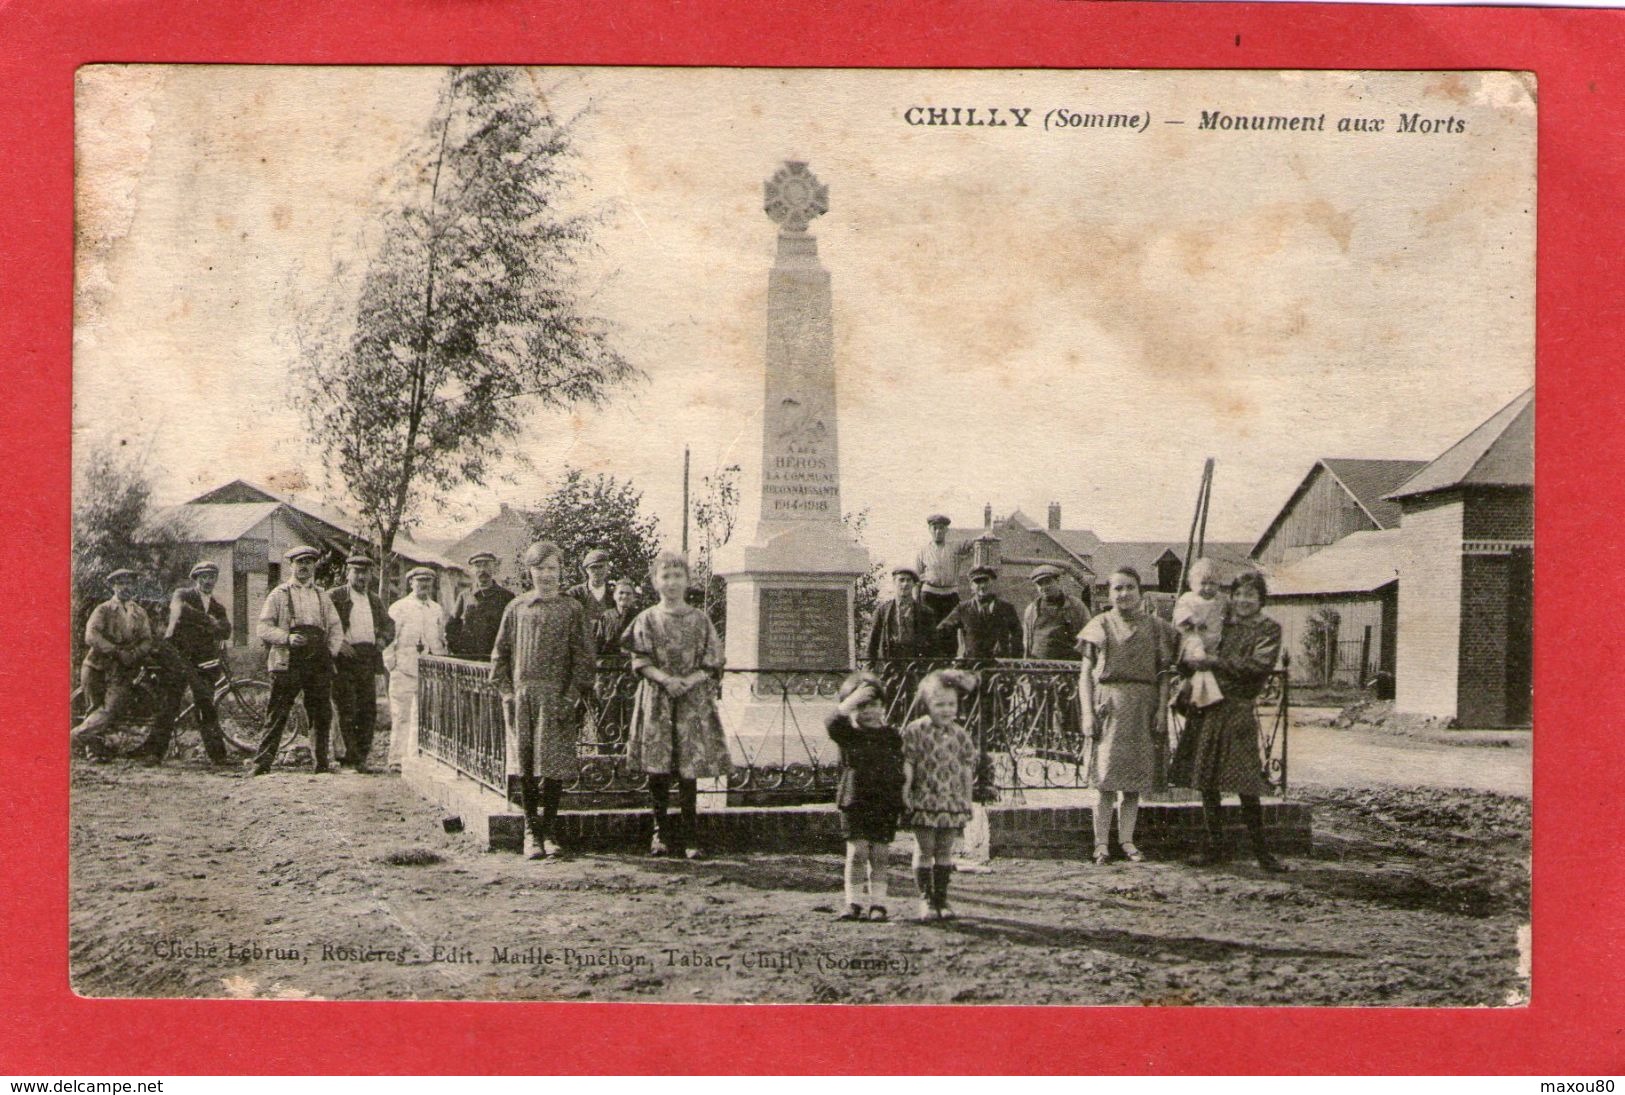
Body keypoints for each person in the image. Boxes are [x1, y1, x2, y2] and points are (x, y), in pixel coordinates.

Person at [1169, 570, 1287, 871]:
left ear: (1261, 598)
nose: (1244, 600)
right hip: (1208, 704)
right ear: (1231, 596)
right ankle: (1215, 848)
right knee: (1207, 779)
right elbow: (1190, 648)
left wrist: (1213, 663)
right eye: (1239, 594)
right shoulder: (1222, 623)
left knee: (1246, 782)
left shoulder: (1268, 629)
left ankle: (1262, 852)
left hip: (1237, 709)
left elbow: (1257, 666)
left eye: (1251, 595)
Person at [490, 541, 595, 859]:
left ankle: (549, 831)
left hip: (558, 699)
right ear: (530, 571)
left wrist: (571, 697)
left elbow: (584, 660)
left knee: (553, 766)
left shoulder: (572, 609)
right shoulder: (517, 608)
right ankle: (530, 832)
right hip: (524, 699)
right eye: (540, 568)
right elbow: (500, 657)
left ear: (561, 571)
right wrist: (508, 695)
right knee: (526, 767)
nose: (546, 575)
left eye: (552, 568)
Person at [625, 550, 730, 859]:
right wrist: (666, 680)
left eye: (677, 576)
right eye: (665, 576)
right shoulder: (647, 618)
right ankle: (659, 833)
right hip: (658, 697)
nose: (671, 582)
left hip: (691, 700)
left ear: (687, 580)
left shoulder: (700, 619)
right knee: (657, 769)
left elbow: (713, 661)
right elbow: (639, 658)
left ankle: (690, 834)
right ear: (656, 581)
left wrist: (690, 680)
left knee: (688, 768)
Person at [1076, 567, 1179, 865]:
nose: (1124, 594)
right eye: (1117, 588)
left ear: (1140, 592)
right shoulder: (1100, 624)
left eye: (1129, 588)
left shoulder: (1156, 627)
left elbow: (1164, 675)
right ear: (1109, 594)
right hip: (1108, 707)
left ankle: (1127, 840)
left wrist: (1161, 709)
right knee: (1105, 779)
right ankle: (1101, 844)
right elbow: (1084, 675)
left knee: (1133, 782)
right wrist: (1086, 713)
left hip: (1143, 709)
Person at [72, 568, 182, 764]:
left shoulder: (139, 613)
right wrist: (116, 651)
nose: (125, 587)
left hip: (122, 669)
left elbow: (147, 640)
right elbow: (91, 636)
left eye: (129, 583)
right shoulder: (103, 609)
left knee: (110, 710)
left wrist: (134, 654)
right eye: (121, 583)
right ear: (113, 586)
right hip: (96, 665)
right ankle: (94, 752)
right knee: (94, 707)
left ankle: (70, 738)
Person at [253, 546, 344, 775]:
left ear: (315, 566)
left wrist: (330, 652)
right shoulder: (279, 594)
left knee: (321, 713)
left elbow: (335, 627)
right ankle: (261, 764)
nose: (304, 566)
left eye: (309, 562)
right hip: (288, 660)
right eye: (300, 562)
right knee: (278, 711)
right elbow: (262, 628)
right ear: (291, 565)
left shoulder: (322, 595)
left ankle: (321, 763)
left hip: (317, 661)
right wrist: (286, 638)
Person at [826, 671, 906, 922]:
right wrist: (850, 701)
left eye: (874, 705)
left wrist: (901, 797)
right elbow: (831, 721)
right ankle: (853, 903)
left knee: (880, 854)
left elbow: (900, 768)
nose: (870, 711)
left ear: (883, 706)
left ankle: (878, 904)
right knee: (857, 852)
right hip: (855, 800)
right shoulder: (848, 734)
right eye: (862, 706)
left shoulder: (891, 736)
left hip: (884, 802)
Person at [901, 668, 979, 921]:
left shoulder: (961, 735)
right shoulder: (915, 731)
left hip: (952, 801)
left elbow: (967, 769)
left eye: (951, 704)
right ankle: (926, 899)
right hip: (924, 798)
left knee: (945, 850)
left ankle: (941, 899)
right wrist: (906, 794)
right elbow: (908, 764)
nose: (946, 710)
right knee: (925, 848)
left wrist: (967, 800)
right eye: (939, 704)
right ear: (927, 704)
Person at [159, 561, 233, 765]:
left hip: (203, 661)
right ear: (196, 578)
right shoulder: (183, 594)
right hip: (178, 655)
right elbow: (181, 610)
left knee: (205, 703)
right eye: (204, 576)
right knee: (170, 702)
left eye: (212, 577)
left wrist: (205, 622)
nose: (208, 581)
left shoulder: (218, 606)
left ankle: (218, 756)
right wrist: (209, 622)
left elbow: (226, 631)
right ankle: (154, 753)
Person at [327, 554, 394, 773]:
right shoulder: (335, 596)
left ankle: (362, 758)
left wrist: (383, 639)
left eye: (365, 573)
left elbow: (388, 625)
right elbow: (322, 624)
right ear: (348, 573)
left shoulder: (374, 600)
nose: (361, 577)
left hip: (368, 658)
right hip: (344, 659)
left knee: (368, 709)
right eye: (357, 572)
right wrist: (338, 644)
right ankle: (347, 760)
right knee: (347, 707)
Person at [385, 566, 448, 771]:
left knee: (426, 715)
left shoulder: (436, 609)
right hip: (404, 668)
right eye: (419, 581)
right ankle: (397, 759)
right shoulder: (399, 607)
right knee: (402, 714)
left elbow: (440, 638)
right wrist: (391, 664)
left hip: (430, 670)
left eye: (428, 581)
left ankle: (418, 758)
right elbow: (389, 639)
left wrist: (440, 660)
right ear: (411, 583)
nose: (424, 585)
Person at [935, 565, 1023, 662]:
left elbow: (1017, 635)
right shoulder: (963, 609)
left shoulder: (1007, 609)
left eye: (985, 581)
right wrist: (950, 657)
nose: (982, 586)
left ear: (992, 582)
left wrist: (1014, 660)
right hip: (971, 666)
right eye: (977, 582)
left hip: (999, 667)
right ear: (971, 586)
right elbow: (941, 631)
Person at [1172, 557, 1227, 711]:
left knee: (1211, 667)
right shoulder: (1188, 598)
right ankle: (1185, 695)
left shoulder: (1220, 600)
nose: (1208, 588)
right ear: (1192, 584)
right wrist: (1193, 619)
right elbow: (1180, 616)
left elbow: (1229, 611)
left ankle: (1203, 699)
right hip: (1193, 638)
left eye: (1213, 583)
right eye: (1203, 583)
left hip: (1212, 639)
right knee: (1200, 660)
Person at [446, 551, 515, 661]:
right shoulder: (464, 597)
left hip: (496, 660)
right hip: (468, 661)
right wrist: (458, 650)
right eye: (478, 566)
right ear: (472, 570)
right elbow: (452, 626)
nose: (482, 570)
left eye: (487, 565)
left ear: (494, 568)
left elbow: (513, 630)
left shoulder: (507, 597)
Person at [865, 565, 932, 665]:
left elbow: (933, 643)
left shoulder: (925, 612)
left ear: (914, 584)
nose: (905, 584)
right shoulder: (883, 611)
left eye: (909, 580)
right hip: (890, 662)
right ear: (894, 582)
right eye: (901, 580)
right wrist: (869, 666)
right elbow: (873, 641)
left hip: (916, 663)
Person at [1022, 564, 1091, 661]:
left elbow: (1088, 637)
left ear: (1058, 581)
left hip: (1068, 667)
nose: (1044, 587)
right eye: (1039, 584)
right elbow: (1027, 642)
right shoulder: (1032, 610)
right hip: (1038, 666)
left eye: (1047, 582)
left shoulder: (1076, 606)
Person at [914, 514, 960, 656]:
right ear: (929, 529)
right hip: (930, 595)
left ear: (946, 530)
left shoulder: (954, 549)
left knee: (950, 632)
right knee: (930, 631)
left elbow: (972, 546)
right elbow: (917, 578)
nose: (938, 531)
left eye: (941, 528)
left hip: (949, 595)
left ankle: (948, 664)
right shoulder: (923, 551)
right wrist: (916, 600)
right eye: (935, 528)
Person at [566, 548, 616, 624]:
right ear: (586, 570)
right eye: (593, 567)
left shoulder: (614, 594)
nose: (597, 571)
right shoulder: (575, 593)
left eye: (601, 567)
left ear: (607, 568)